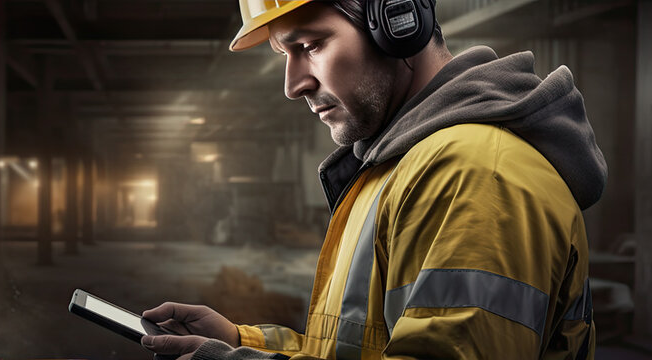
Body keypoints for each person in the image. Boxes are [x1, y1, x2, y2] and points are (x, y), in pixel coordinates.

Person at [141, 0, 606, 359]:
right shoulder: (398, 168)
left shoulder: (477, 174)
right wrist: (240, 341)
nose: (292, 83)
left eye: (311, 46)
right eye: (285, 53)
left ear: (398, 21)